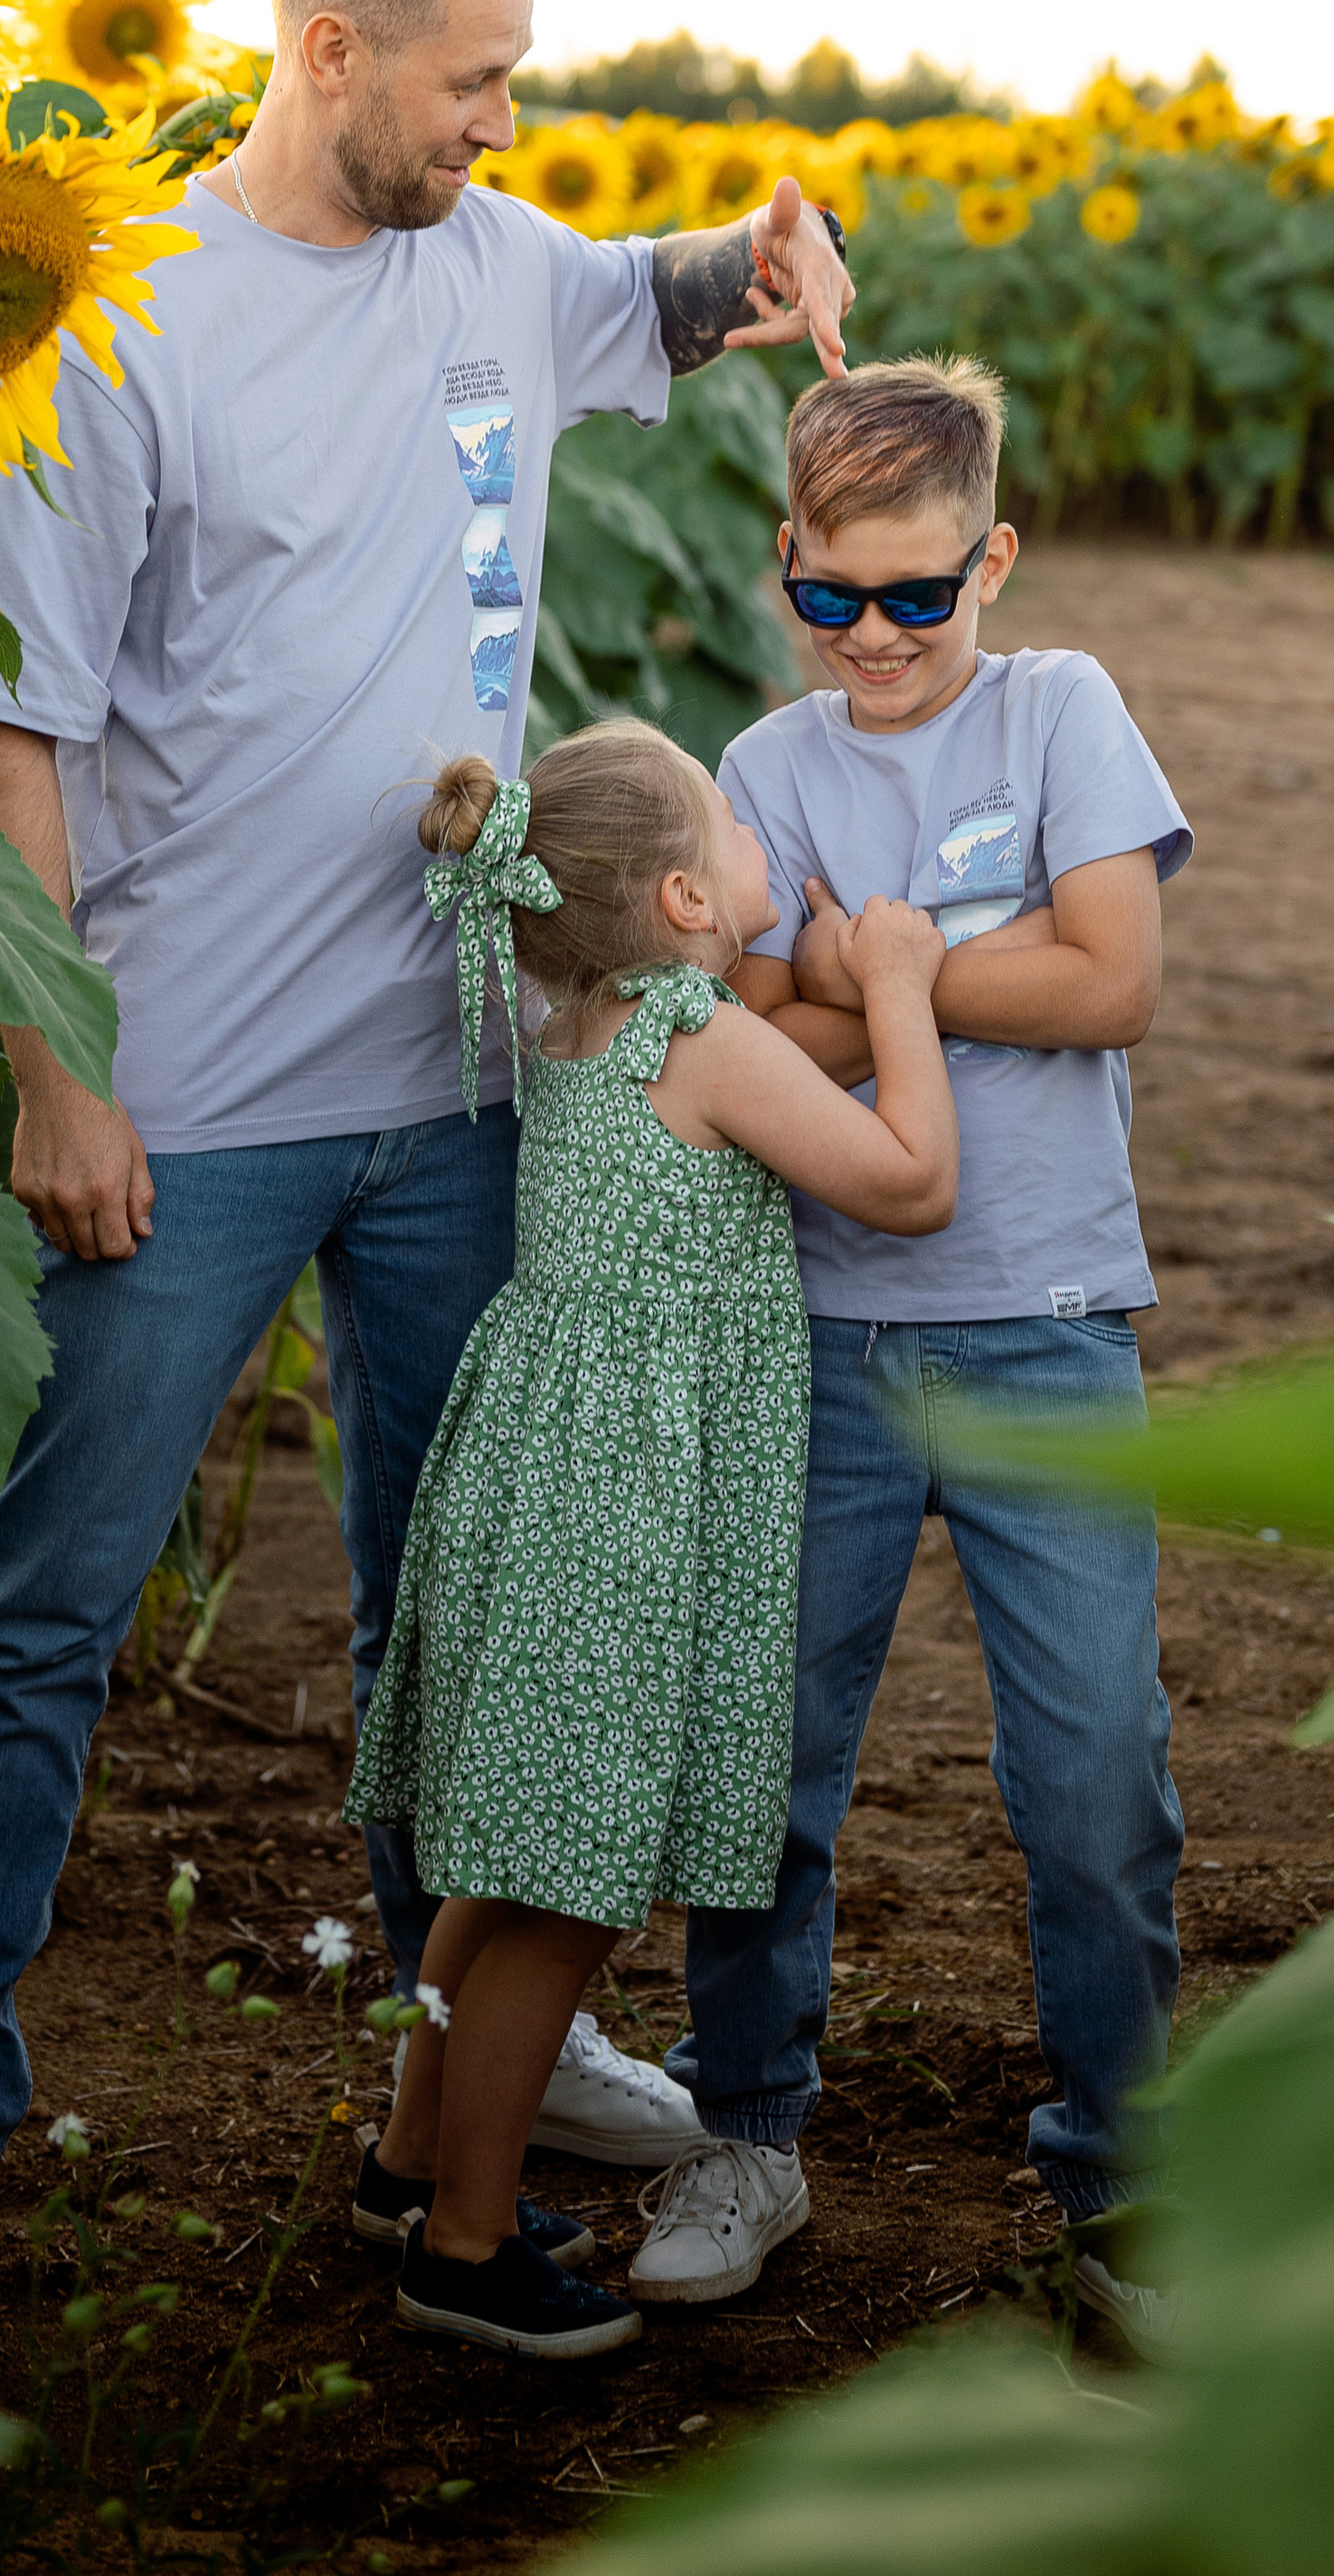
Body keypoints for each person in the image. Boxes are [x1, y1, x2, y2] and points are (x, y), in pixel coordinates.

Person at [0, 0, 858, 2360]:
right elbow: (16, 746)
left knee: (467, 1613)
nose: (504, 119)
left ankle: (467, 2091)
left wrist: (778, 243)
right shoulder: (122, 333)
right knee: (45, 1610)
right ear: (329, 53)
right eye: (472, 78)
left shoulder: (502, 269)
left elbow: (677, 291)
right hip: (181, 1100)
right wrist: (55, 1071)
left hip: (455, 1090)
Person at [623, 353, 1192, 2313]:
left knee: (1095, 1778)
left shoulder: (1063, 715)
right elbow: (742, 1025)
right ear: (784, 562)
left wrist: (880, 965)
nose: (873, 637)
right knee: (761, 1766)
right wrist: (958, 966)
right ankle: (743, 2125)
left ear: (994, 562)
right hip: (816, 1339)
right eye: (830, 597)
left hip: (1046, 1333)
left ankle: (1119, 2174)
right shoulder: (764, 771)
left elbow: (1112, 980)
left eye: (919, 597)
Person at [343, 720, 959, 2357]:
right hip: (621, 1508)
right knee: (565, 1890)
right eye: (741, 834)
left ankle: (410, 2164)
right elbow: (908, 1182)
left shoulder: (573, 1014)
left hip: (542, 1471)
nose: (766, 850)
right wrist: (898, 977)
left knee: (502, 1860)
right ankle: (465, 2248)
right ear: (691, 899)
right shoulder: (697, 1033)